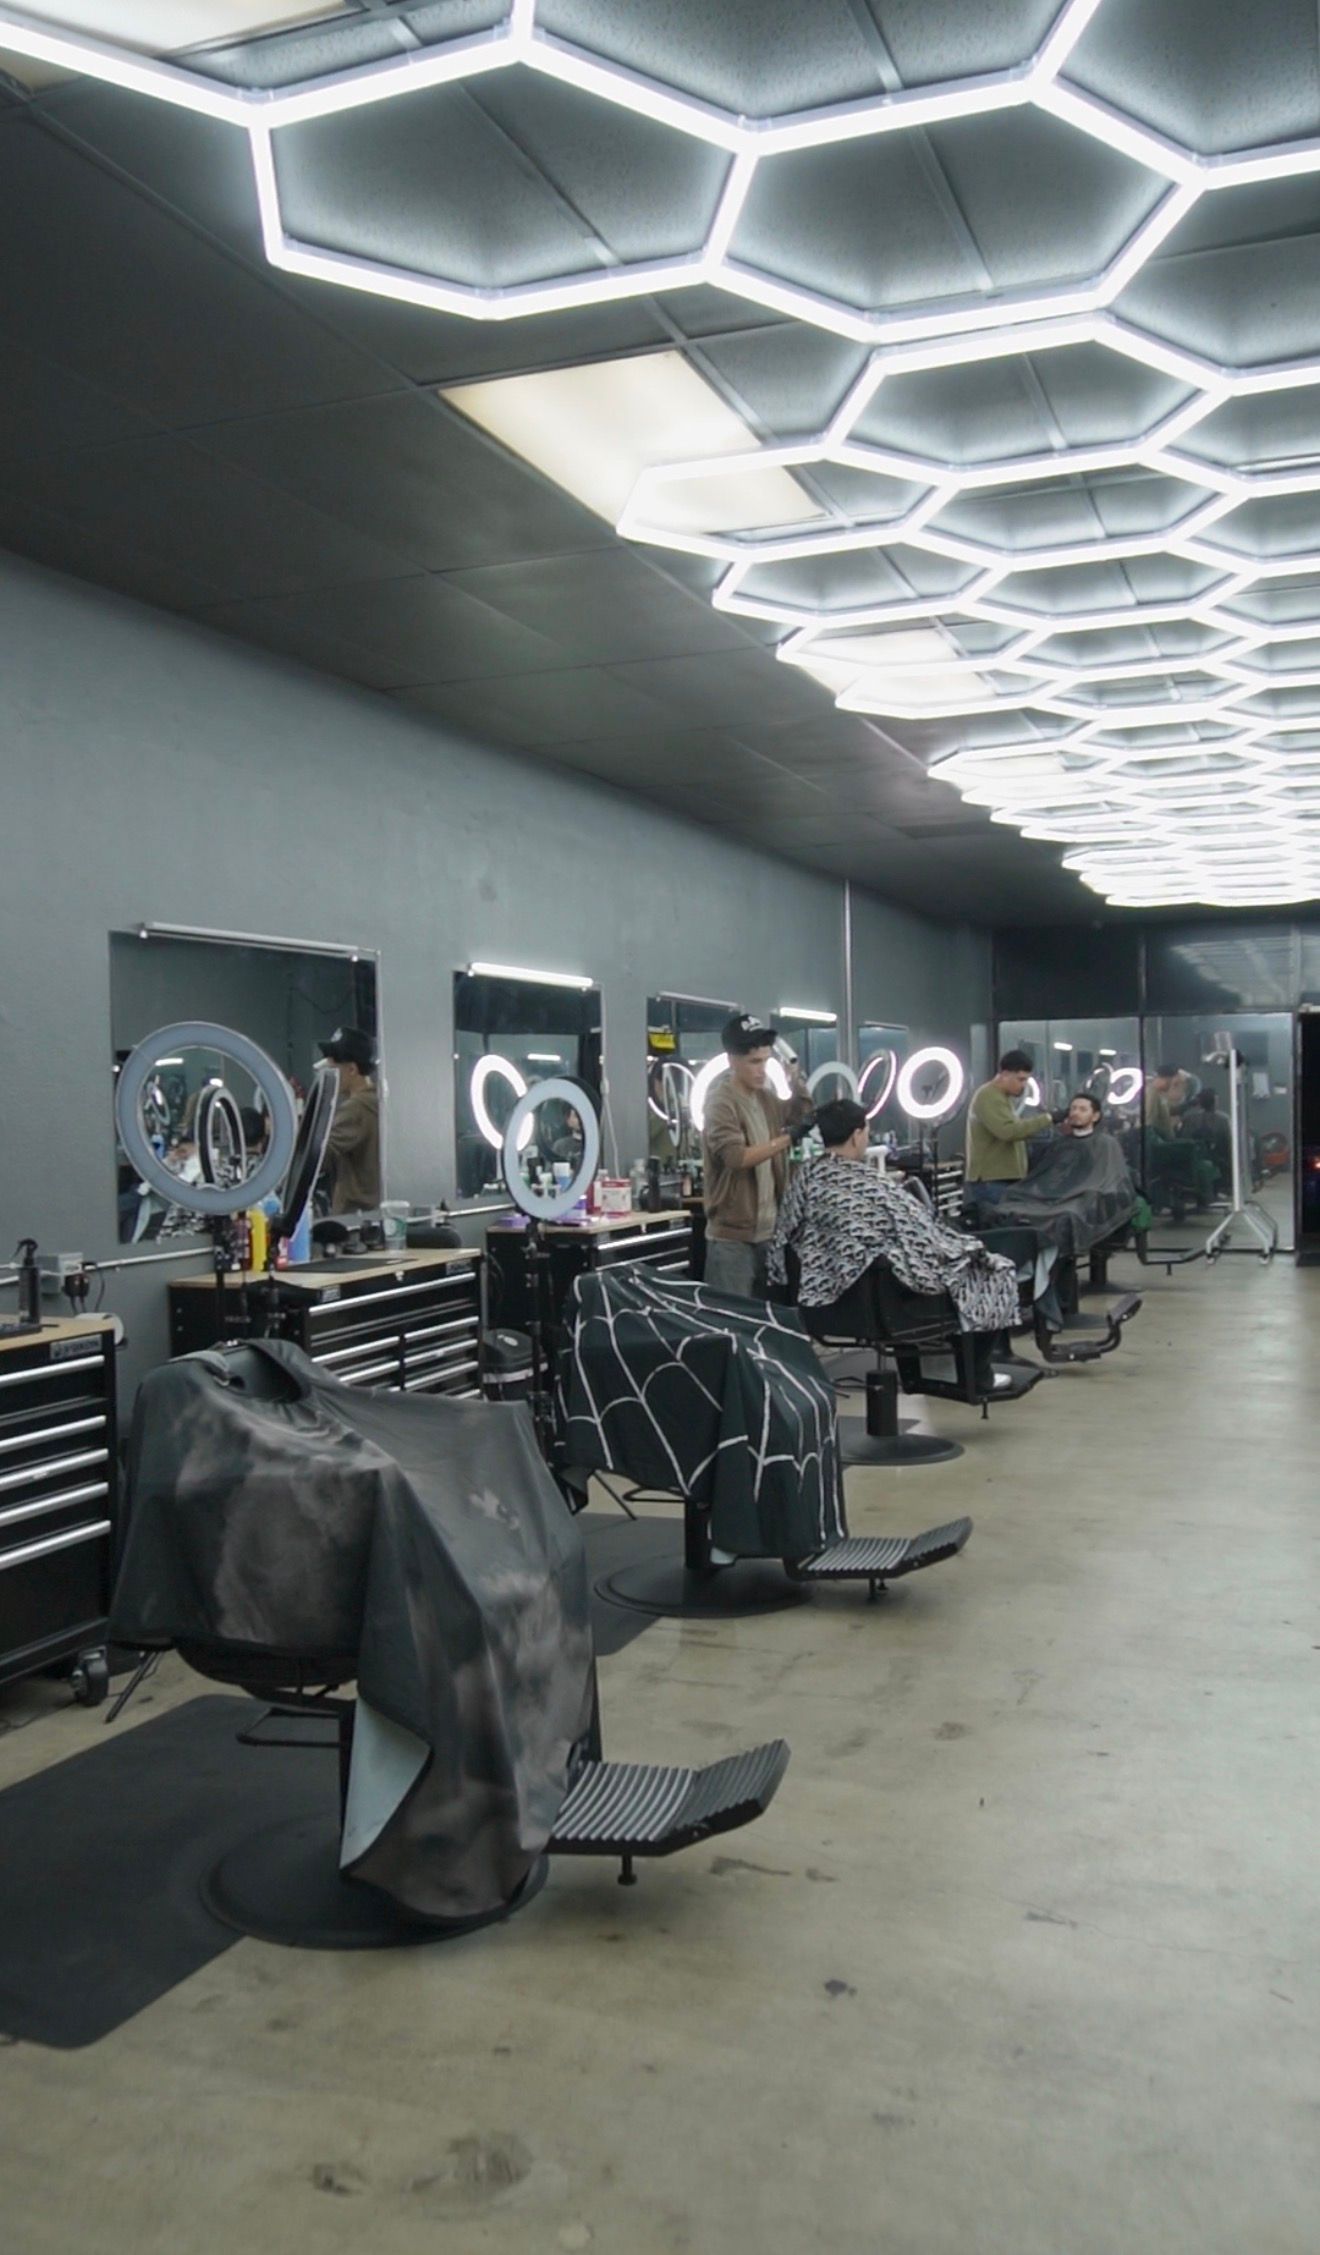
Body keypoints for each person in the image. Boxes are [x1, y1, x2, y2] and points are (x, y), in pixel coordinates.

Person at [767, 1098, 1020, 1390]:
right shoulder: (874, 1185)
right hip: (883, 1301)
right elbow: (924, 1238)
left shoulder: (805, 1176)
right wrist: (964, 1247)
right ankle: (978, 1376)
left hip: (822, 1300)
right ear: (856, 1135)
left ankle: (933, 1372)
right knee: (994, 1270)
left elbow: (784, 1238)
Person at [701, 1012, 813, 1298]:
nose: (761, 1070)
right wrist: (787, 1139)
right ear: (731, 1061)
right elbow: (736, 1157)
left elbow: (801, 1113)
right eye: (754, 1062)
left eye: (765, 1061)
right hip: (731, 1240)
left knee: (767, 1322)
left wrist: (795, 1079)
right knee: (733, 1325)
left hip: (769, 1233)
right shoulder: (720, 1103)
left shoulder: (765, 1098)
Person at [965, 1050, 1053, 1206]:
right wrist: (1047, 1119)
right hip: (992, 1181)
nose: (1024, 1085)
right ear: (1005, 1074)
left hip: (1001, 1179)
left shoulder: (1002, 1098)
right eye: (1021, 1079)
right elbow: (1008, 1131)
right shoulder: (988, 1097)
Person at [319, 1027, 381, 1213]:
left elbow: (320, 1157)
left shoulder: (357, 1107)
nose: (329, 1074)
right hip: (373, 1210)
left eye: (333, 1069)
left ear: (352, 1069)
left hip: (354, 1215)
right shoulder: (378, 1101)